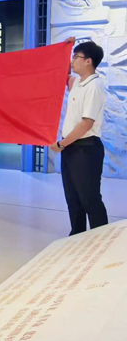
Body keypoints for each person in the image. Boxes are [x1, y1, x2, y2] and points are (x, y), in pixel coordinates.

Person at [50, 40, 108, 236]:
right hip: (71, 148)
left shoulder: (94, 86)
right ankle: (77, 235)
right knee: (73, 198)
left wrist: (61, 144)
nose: (72, 61)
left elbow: (86, 123)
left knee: (89, 198)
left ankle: (100, 238)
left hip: (86, 149)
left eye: (76, 57)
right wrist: (66, 48)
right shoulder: (77, 82)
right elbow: (65, 75)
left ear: (88, 61)